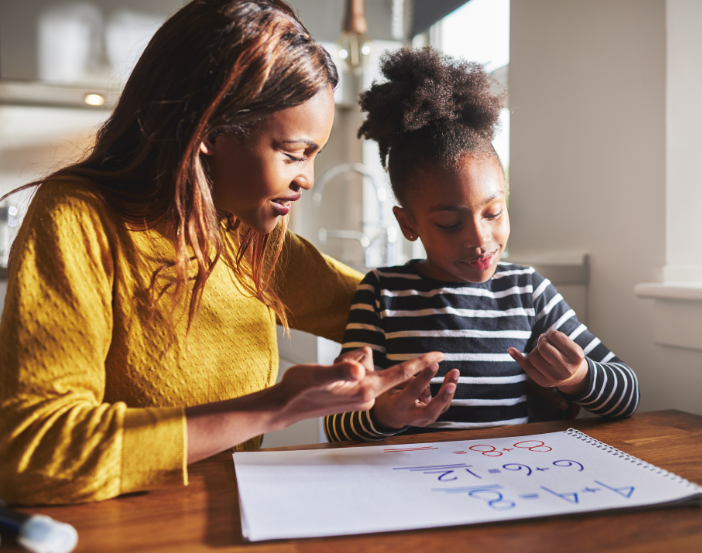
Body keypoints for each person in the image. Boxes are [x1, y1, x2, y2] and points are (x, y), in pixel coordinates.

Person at [0, 0, 444, 505]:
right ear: (211, 131)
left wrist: (546, 358)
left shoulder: (248, 233)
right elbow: (35, 455)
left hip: (232, 518)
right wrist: (276, 406)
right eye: (294, 153)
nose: (307, 179)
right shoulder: (78, 218)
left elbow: (399, 315)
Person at [324, 48, 639, 442]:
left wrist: (579, 378)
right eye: (449, 223)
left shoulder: (527, 291)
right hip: (412, 486)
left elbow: (628, 393)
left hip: (511, 483)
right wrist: (384, 415)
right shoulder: (381, 293)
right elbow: (335, 421)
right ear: (408, 224)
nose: (479, 239)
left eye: (493, 213)